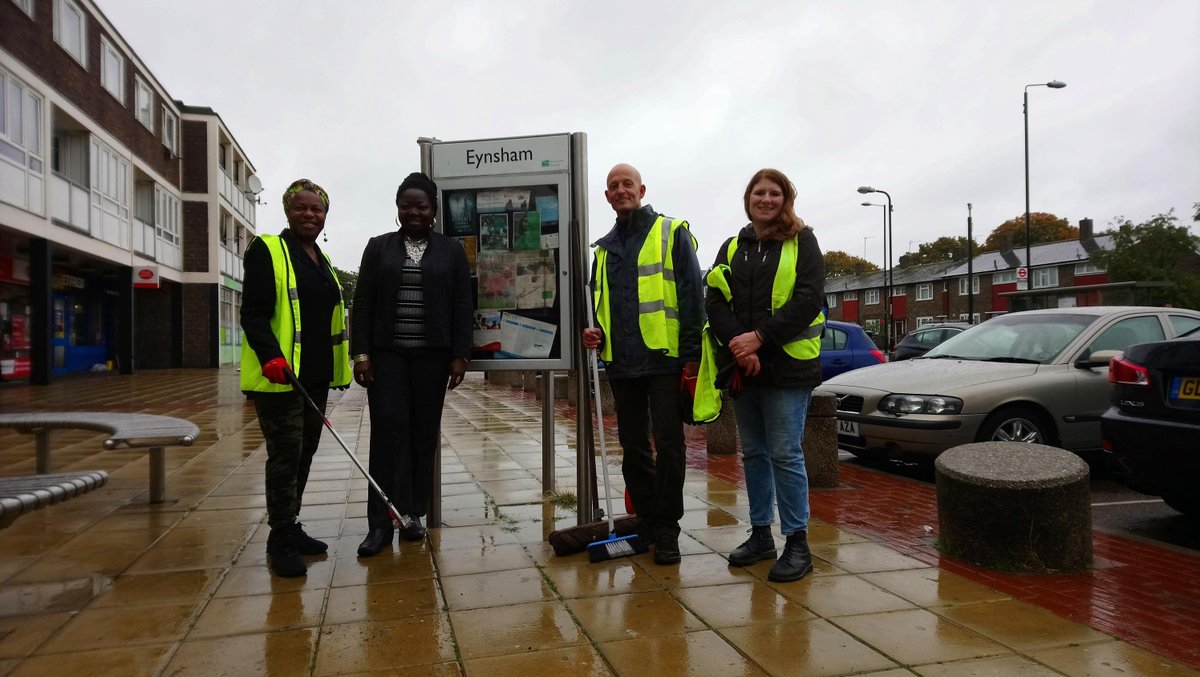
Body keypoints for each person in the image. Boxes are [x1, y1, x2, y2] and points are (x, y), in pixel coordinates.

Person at [704, 168, 825, 582]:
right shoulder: (733, 245)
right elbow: (715, 299)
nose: (766, 199)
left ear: (786, 199)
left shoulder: (802, 241)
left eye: (775, 193)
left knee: (785, 454)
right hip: (745, 367)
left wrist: (759, 340)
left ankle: (797, 543)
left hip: (788, 368)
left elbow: (809, 300)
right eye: (759, 192)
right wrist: (739, 345)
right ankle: (760, 535)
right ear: (748, 198)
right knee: (753, 454)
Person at [582, 163, 704, 565]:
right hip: (621, 363)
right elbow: (601, 306)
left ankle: (668, 528)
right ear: (606, 196)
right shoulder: (603, 249)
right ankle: (649, 519)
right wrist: (594, 333)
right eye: (613, 186)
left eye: (627, 184)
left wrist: (691, 357)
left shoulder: (671, 232)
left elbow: (690, 296)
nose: (621, 190)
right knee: (632, 447)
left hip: (664, 360)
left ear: (641, 189)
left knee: (669, 444)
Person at [351, 172, 472, 557]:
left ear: (433, 210)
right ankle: (379, 524)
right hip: (386, 358)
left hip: (431, 359)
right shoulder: (378, 248)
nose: (414, 212)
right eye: (407, 205)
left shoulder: (450, 250)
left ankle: (413, 514)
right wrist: (362, 354)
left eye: (421, 205)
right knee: (387, 438)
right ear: (398, 208)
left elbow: (462, 305)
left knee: (422, 436)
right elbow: (364, 302)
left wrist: (459, 354)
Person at [240, 178, 351, 578]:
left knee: (304, 455)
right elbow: (252, 312)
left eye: (317, 209)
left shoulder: (321, 261)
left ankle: (290, 526)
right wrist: (270, 356)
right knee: (285, 457)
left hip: (315, 379)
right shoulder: (269, 250)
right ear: (287, 209)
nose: (310, 214)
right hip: (281, 379)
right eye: (301, 207)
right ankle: (280, 538)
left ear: (325, 216)